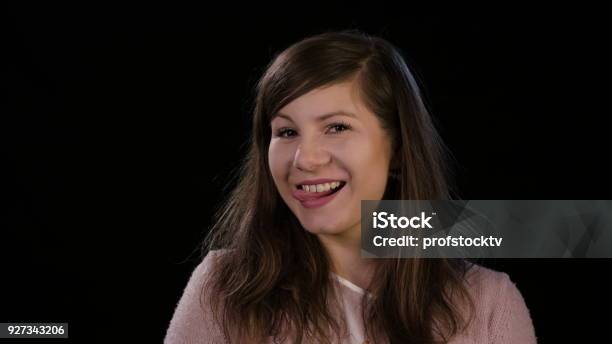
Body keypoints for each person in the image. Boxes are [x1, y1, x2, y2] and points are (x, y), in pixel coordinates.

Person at [165, 30, 537, 344]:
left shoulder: (488, 303)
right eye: (287, 132)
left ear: (398, 150)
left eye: (337, 127)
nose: (304, 159)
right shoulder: (223, 288)